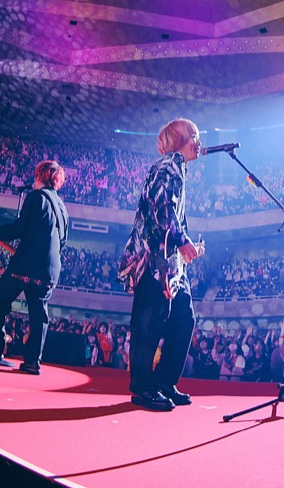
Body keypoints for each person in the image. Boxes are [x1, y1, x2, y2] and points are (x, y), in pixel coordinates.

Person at [118, 118, 205, 411]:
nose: (199, 143)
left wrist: (185, 244)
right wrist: (182, 240)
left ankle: (164, 382)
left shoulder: (178, 169)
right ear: (182, 139)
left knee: (184, 318)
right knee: (149, 321)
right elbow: (163, 206)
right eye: (195, 136)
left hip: (170, 263)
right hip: (154, 259)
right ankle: (143, 387)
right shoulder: (168, 167)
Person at [0, 160, 68, 374]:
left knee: (0, 298)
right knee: (38, 314)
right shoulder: (62, 207)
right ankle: (33, 362)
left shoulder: (35, 197)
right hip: (50, 269)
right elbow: (62, 241)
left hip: (26, 265)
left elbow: (19, 228)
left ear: (40, 176)